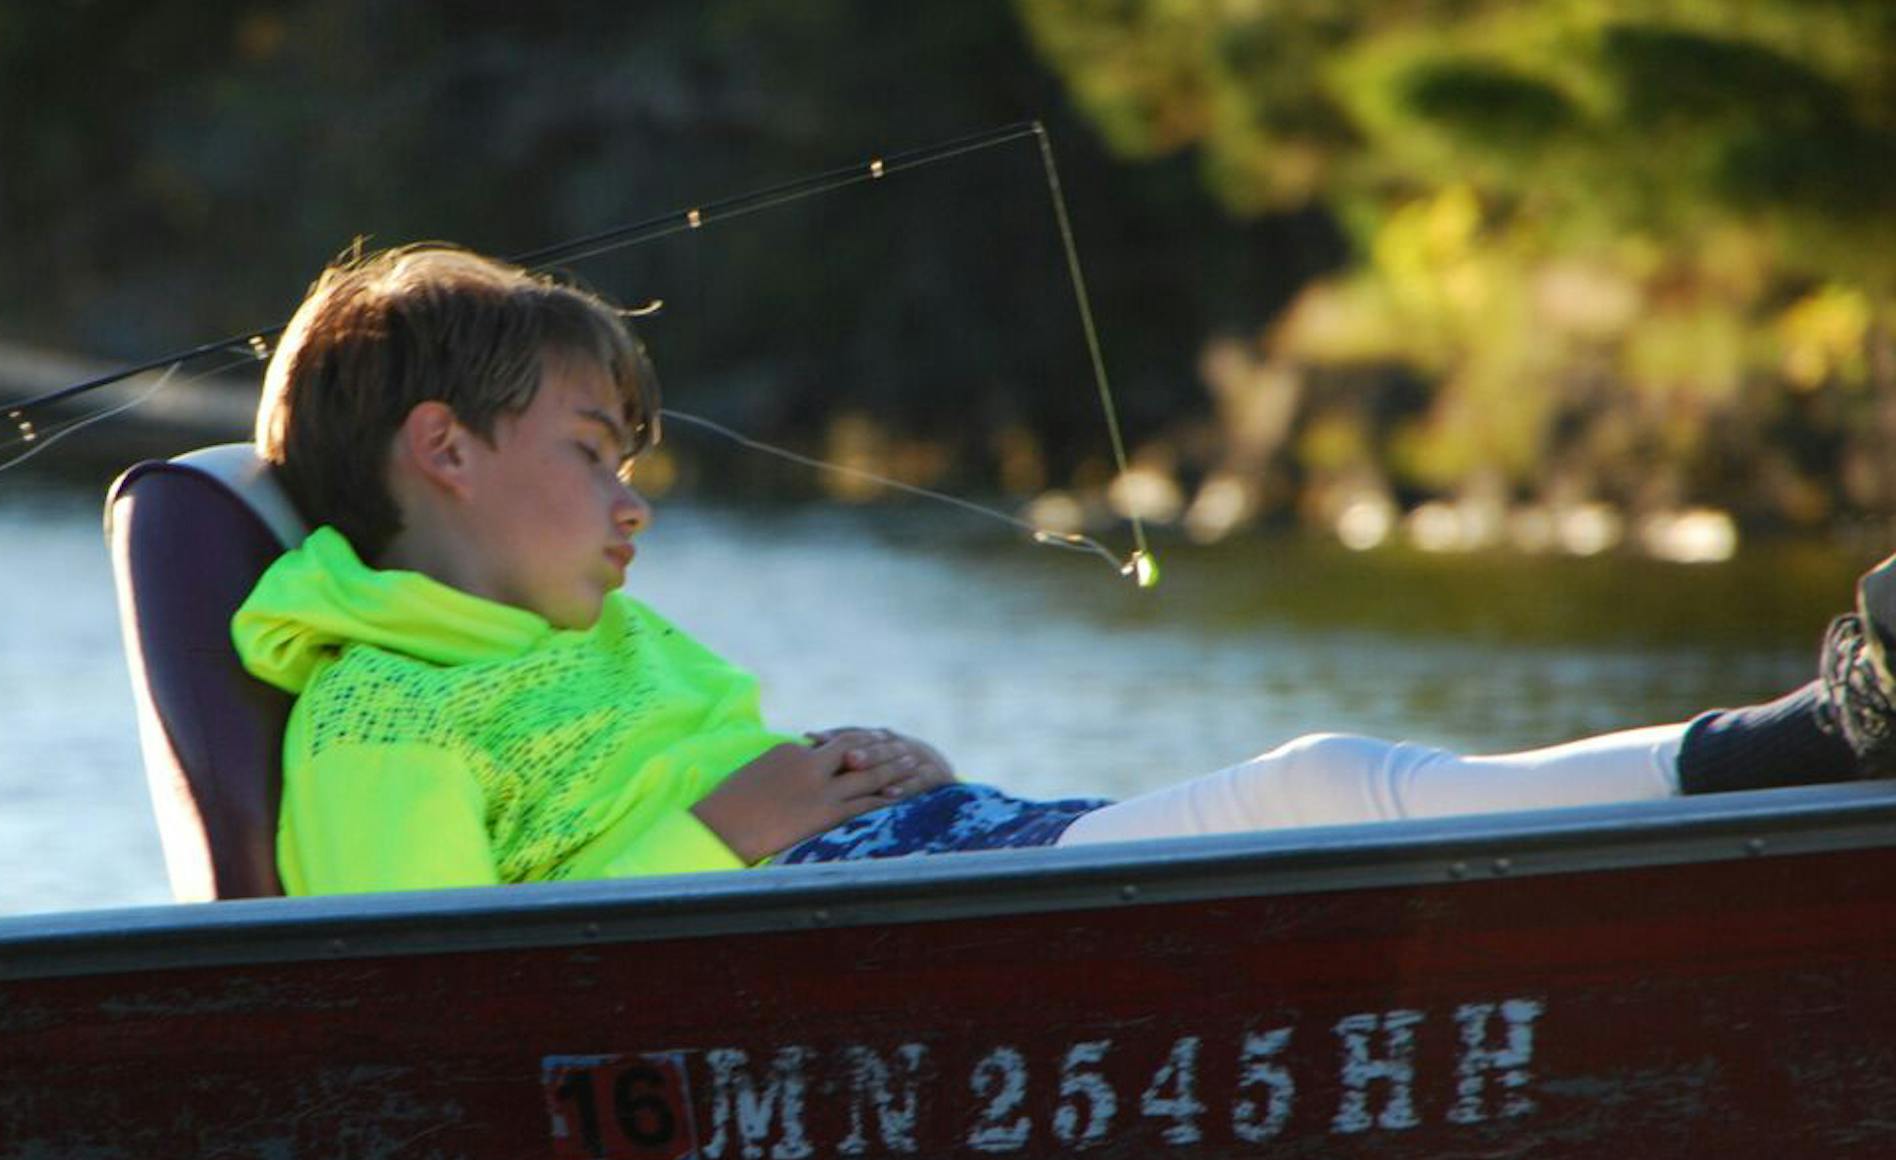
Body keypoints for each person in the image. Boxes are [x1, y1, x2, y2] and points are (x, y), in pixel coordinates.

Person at [232, 244, 1896, 896]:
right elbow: (426, 1006)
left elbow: (731, 796)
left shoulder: (604, 637)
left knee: (1321, 832)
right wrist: (726, 827)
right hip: (789, 972)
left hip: (919, 867)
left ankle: (1796, 771)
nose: (629, 499)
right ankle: (1799, 744)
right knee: (1316, 792)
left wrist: (877, 776)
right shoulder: (380, 720)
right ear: (443, 452)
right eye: (594, 451)